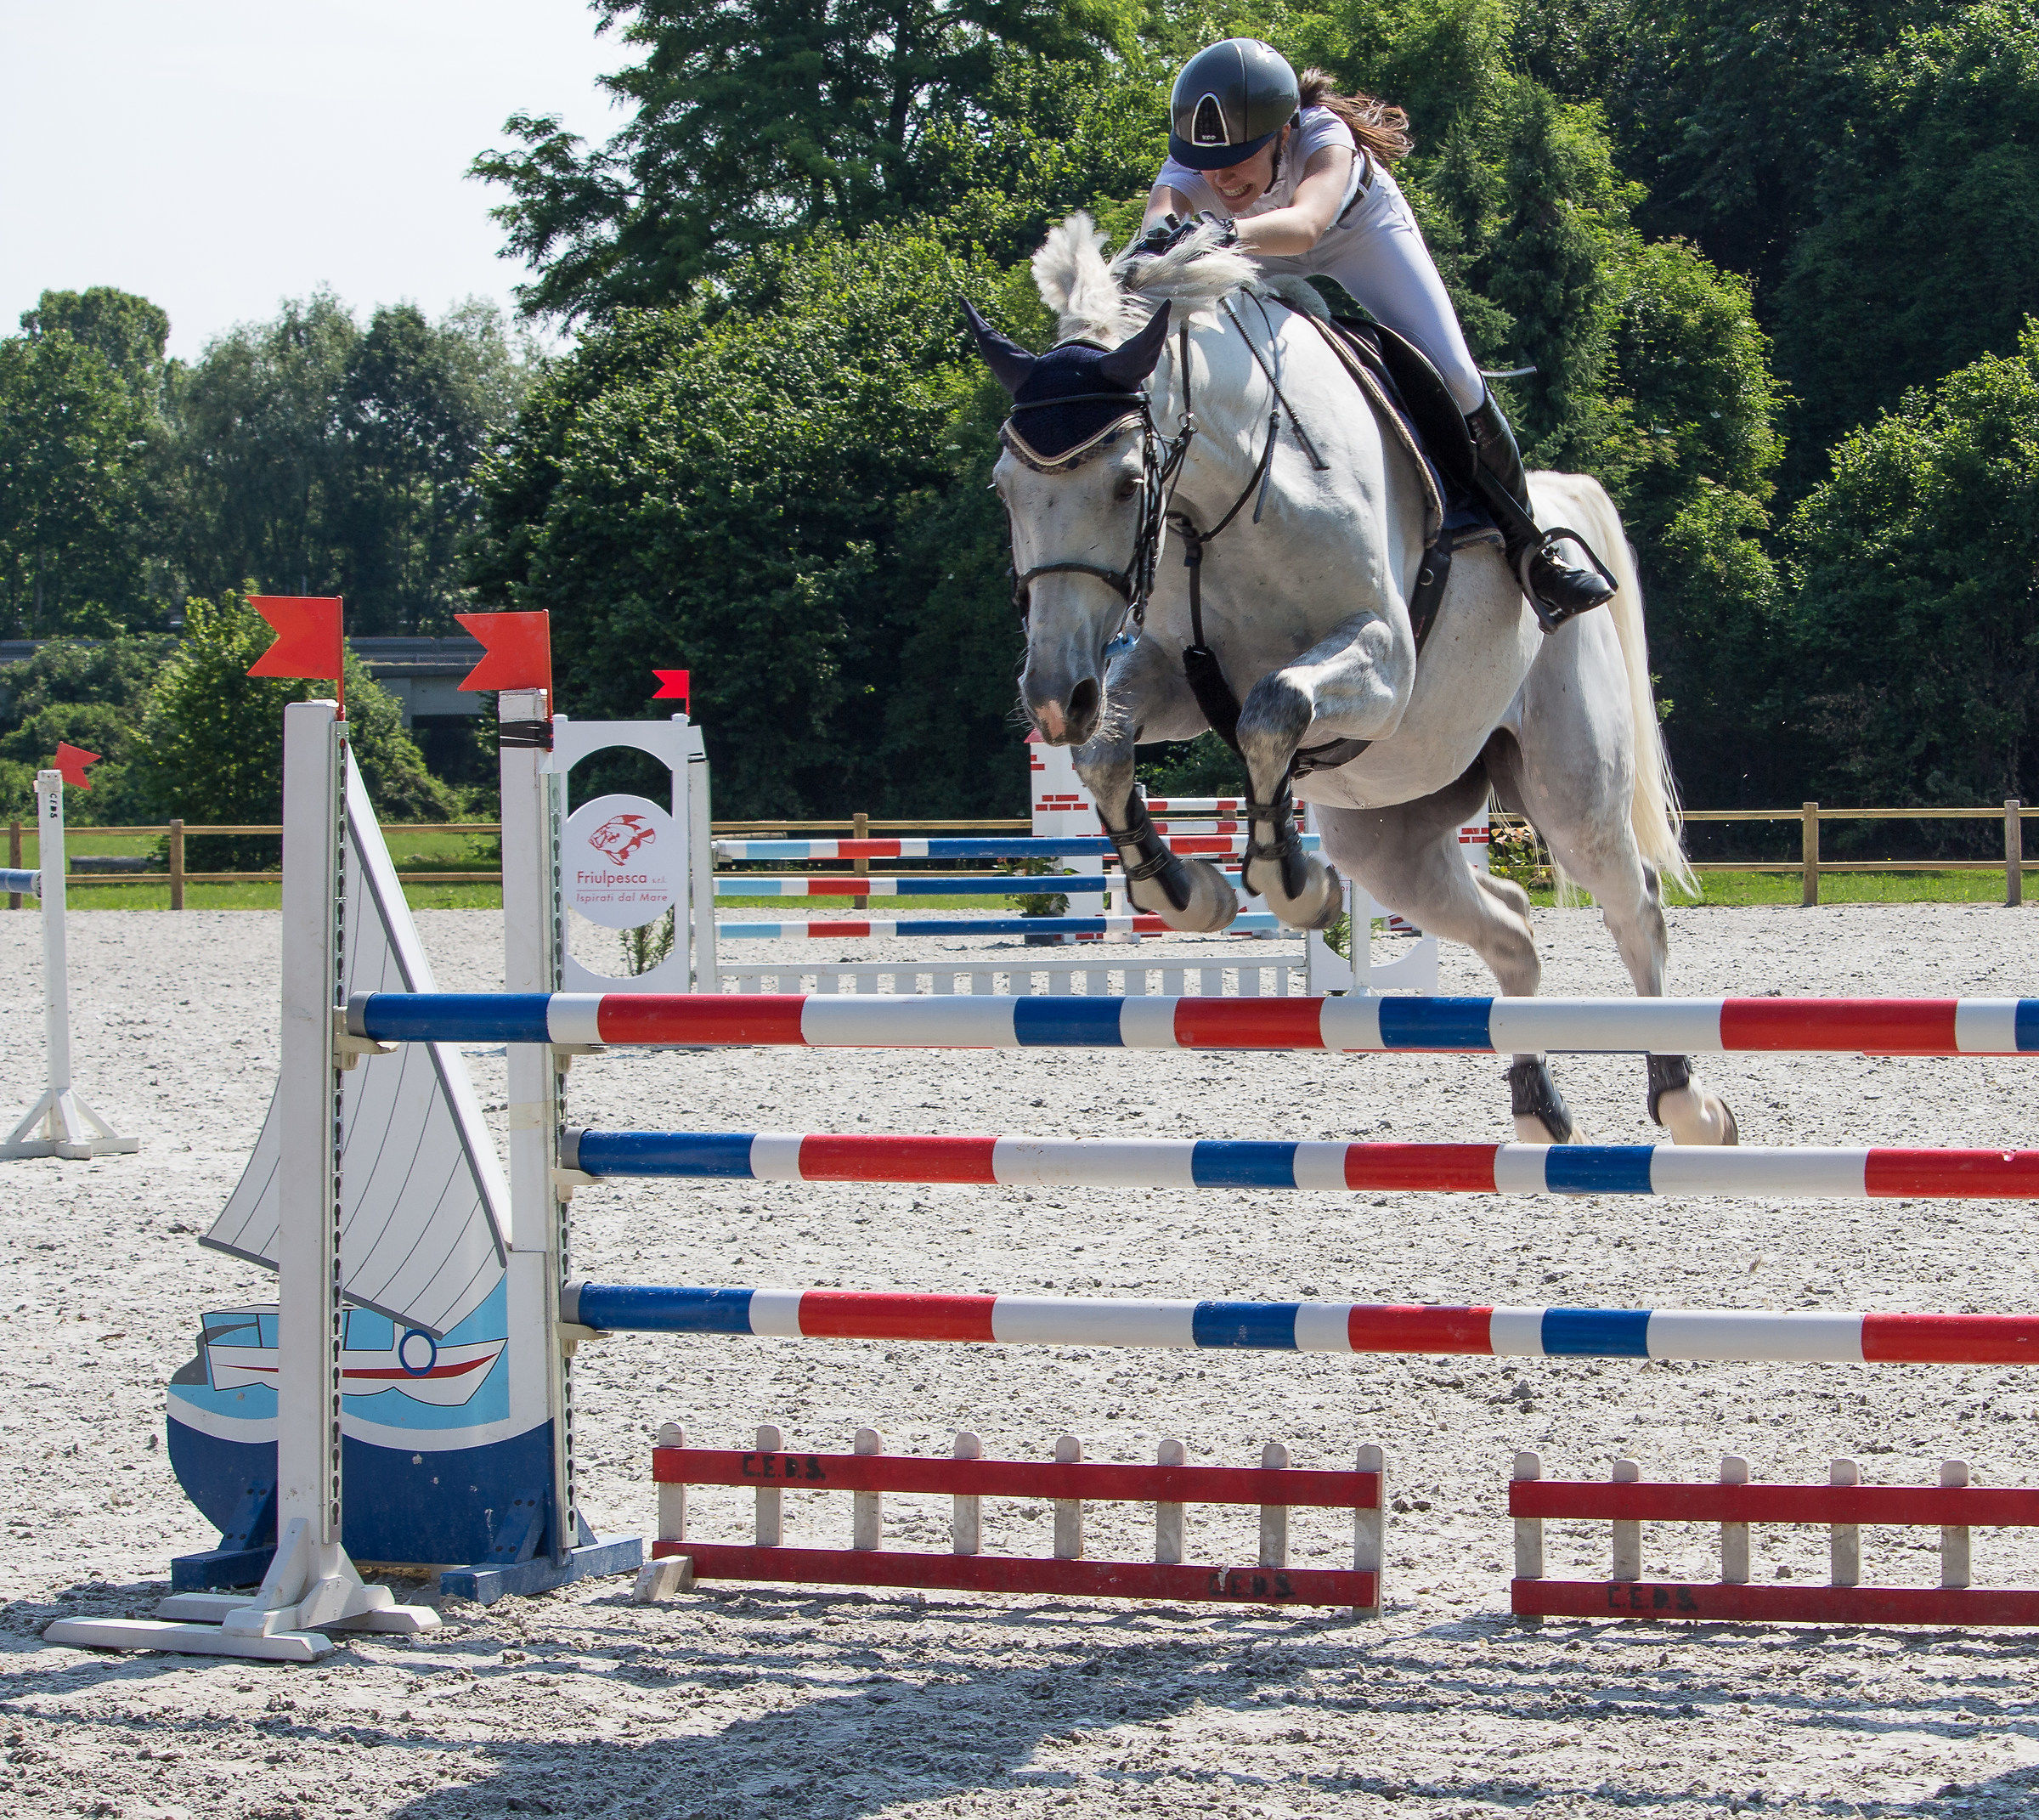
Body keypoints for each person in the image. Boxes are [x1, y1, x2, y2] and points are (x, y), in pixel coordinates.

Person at [1142, 37, 1613, 625]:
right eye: (1209, 163)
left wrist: (1211, 236)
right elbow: (1160, 218)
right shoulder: (1195, 158)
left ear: (1283, 133)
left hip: (1357, 230)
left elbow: (1308, 225)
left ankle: (1531, 548)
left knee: (1457, 377)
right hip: (1253, 246)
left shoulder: (1322, 135)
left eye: (1240, 158)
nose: (1221, 175)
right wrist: (1157, 243)